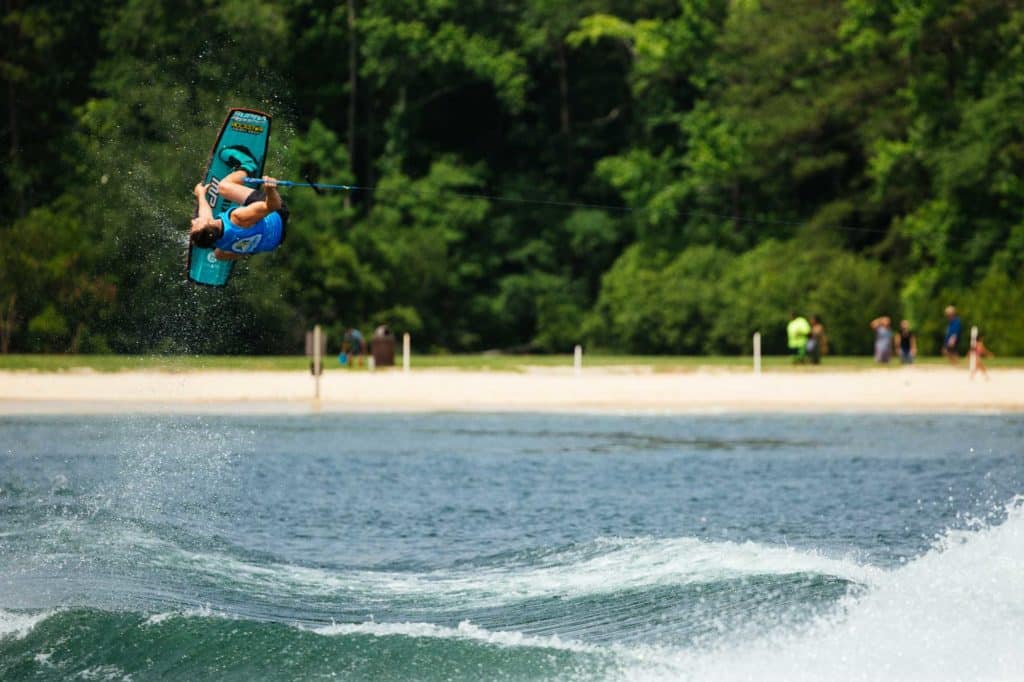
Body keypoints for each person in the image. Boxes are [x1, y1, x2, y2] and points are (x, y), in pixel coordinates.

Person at [189, 150, 289, 260]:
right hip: (278, 215)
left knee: (219, 255)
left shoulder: (216, 240)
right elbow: (274, 206)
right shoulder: (238, 217)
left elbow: (205, 215)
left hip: (276, 242)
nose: (193, 221)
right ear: (209, 224)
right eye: (195, 224)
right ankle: (248, 166)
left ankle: (247, 247)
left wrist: (201, 195)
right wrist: (270, 189)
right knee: (223, 187)